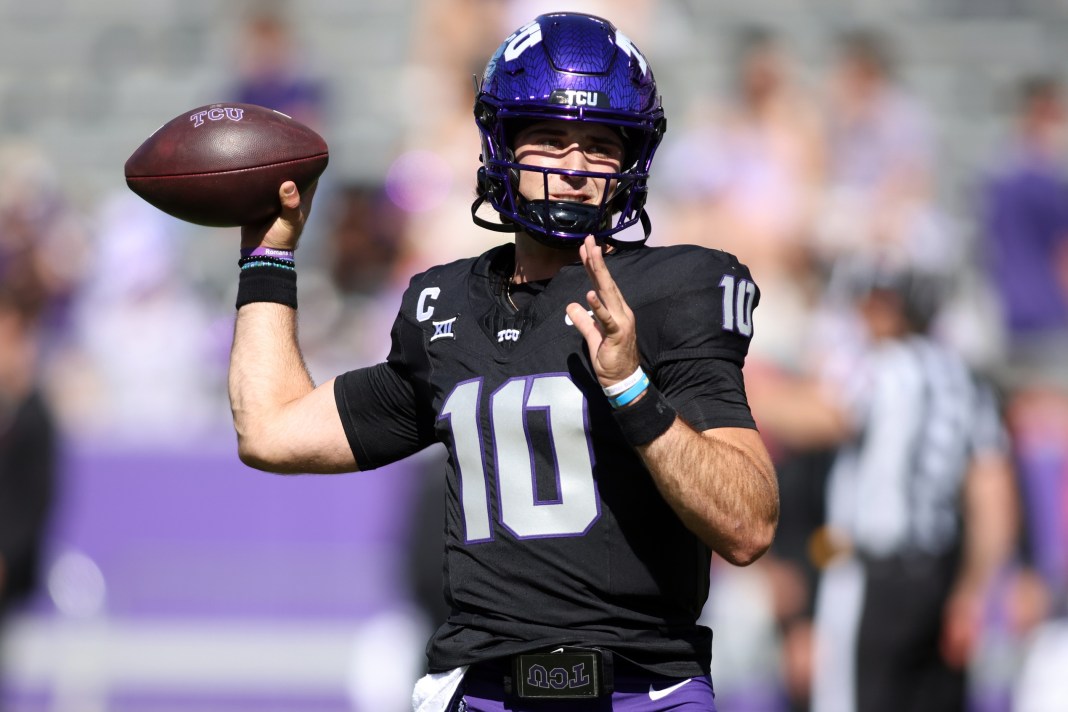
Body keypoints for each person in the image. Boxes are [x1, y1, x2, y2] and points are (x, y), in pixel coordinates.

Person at [225, 12, 778, 711]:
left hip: (642, 692)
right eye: (550, 137)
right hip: (483, 692)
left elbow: (749, 525)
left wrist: (631, 385)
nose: (575, 167)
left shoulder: (678, 290)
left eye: (601, 145)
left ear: (633, 160)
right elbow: (270, 429)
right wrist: (267, 255)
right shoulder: (443, 302)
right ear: (500, 142)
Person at [747, 258, 1020, 712]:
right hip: (939, 576)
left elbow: (818, 420)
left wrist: (738, 392)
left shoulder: (879, 369)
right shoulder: (969, 380)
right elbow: (994, 497)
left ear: (889, 308)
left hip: (868, 578)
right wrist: (971, 594)